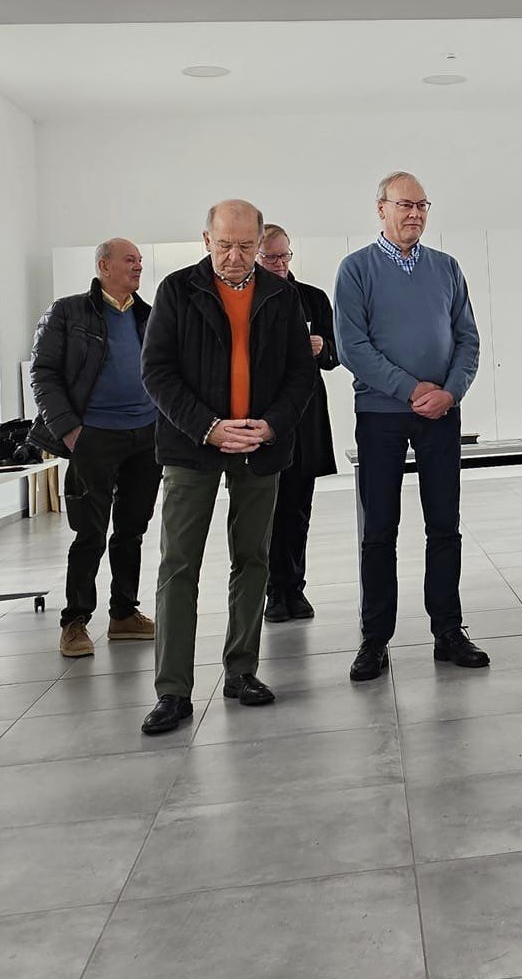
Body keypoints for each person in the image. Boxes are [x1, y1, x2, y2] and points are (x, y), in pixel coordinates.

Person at [139, 200, 315, 735]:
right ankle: (173, 690)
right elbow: (157, 373)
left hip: (260, 447)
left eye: (245, 246)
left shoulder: (282, 295)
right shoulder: (176, 290)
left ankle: (242, 671)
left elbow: (299, 374)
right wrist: (209, 426)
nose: (234, 257)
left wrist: (271, 426)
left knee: (253, 559)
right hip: (194, 448)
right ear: (205, 239)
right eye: (224, 245)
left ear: (260, 243)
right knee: (178, 566)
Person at [334, 171, 485, 682]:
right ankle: (375, 639)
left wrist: (450, 392)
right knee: (380, 529)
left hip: (441, 414)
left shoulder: (447, 268)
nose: (414, 213)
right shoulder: (356, 270)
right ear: (381, 208)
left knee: (444, 525)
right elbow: (353, 347)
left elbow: (468, 339)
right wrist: (410, 389)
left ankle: (448, 631)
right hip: (380, 416)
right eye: (404, 204)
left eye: (422, 205)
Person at [29, 239, 162, 658]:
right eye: (129, 260)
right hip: (93, 437)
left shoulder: (148, 314)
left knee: (132, 530)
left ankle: (124, 613)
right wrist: (69, 430)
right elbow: (43, 373)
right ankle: (75, 622)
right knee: (89, 533)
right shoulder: (68, 312)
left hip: (146, 435)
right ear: (103, 265)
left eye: (140, 260)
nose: (138, 266)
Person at [255, 224, 340, 622]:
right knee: (268, 509)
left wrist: (323, 348)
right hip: (264, 416)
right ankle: (273, 591)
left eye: (285, 255)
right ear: (255, 257)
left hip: (305, 415)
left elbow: (337, 354)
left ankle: (296, 588)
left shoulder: (312, 298)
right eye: (271, 257)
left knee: (299, 508)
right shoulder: (248, 299)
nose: (280, 264)